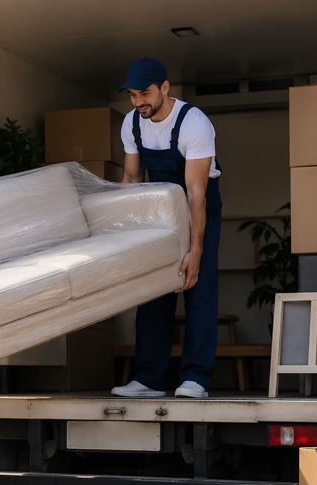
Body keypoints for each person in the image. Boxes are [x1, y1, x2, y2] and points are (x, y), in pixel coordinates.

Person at [111, 57, 223, 399]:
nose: (138, 102)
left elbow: (196, 192)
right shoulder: (132, 123)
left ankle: (196, 378)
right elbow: (132, 179)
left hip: (198, 205)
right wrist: (123, 235)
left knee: (197, 286)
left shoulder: (194, 123)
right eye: (132, 95)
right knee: (154, 288)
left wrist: (195, 249)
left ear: (164, 87)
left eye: (144, 93)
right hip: (159, 210)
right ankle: (150, 378)